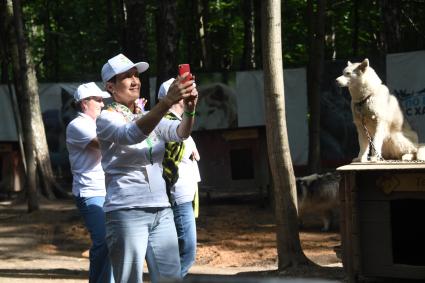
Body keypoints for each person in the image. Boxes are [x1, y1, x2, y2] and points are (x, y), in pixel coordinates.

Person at [96, 53, 198, 283]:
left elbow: (180, 132)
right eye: (127, 77)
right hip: (126, 210)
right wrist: (165, 103)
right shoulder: (106, 118)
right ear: (111, 87)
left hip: (161, 207)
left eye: (136, 75)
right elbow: (130, 135)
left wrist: (190, 109)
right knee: (129, 280)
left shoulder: (146, 115)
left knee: (170, 278)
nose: (135, 81)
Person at [65, 82, 114, 283]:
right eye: (99, 100)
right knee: (104, 241)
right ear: (85, 103)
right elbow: (104, 143)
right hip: (90, 193)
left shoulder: (96, 123)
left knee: (110, 242)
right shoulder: (78, 125)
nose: (103, 105)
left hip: (107, 191)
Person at [157, 78, 201, 277]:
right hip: (178, 197)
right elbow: (167, 166)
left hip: (184, 195)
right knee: (187, 252)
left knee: (182, 252)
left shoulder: (178, 122)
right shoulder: (168, 124)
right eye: (186, 92)